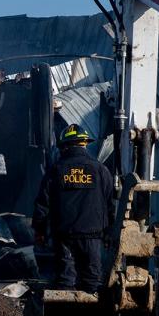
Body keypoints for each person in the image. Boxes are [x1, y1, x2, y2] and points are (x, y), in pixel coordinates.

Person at [32, 124, 114, 292]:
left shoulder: (56, 170)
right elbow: (109, 204)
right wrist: (109, 233)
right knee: (92, 280)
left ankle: (64, 314)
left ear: (64, 146)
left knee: (65, 279)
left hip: (64, 236)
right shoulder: (100, 170)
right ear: (84, 144)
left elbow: (43, 204)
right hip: (92, 235)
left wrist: (39, 231)